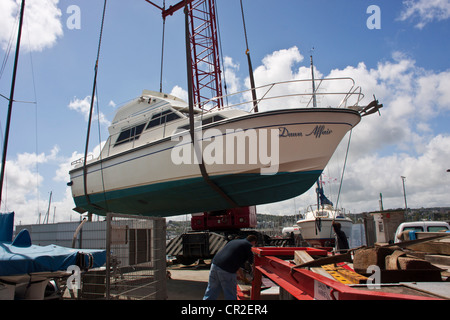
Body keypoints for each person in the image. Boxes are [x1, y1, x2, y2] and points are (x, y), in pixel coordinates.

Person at [203, 234, 257, 300]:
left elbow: (236, 263)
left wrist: (242, 276)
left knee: (212, 290)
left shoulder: (235, 242)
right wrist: (254, 276)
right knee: (230, 293)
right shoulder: (249, 246)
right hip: (226, 269)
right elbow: (254, 263)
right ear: (253, 242)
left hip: (215, 265)